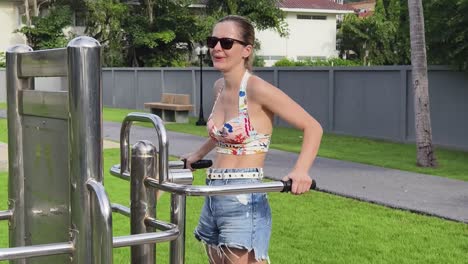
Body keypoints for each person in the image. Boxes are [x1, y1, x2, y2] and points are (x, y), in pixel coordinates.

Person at [182, 15, 323, 264]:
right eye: (212, 41)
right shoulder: (219, 87)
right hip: (213, 193)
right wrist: (198, 154)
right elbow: (225, 134)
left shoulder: (257, 89)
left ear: (246, 50)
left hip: (244, 195)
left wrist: (300, 171)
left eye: (226, 42)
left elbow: (313, 127)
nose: (216, 48)